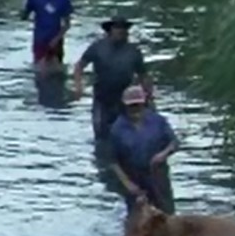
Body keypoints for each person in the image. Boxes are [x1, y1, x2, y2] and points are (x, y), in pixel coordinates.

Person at [73, 15, 154, 139]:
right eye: (117, 27)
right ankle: (101, 155)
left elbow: (143, 75)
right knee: (100, 131)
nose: (121, 31)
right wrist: (79, 86)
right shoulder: (98, 47)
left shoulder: (133, 51)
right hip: (102, 98)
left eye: (124, 28)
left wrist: (148, 97)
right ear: (110, 30)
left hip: (125, 99)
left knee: (124, 133)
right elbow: (79, 66)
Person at [109, 84, 177, 215]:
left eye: (138, 105)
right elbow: (113, 161)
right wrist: (128, 184)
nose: (135, 109)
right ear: (125, 106)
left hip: (158, 176)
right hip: (134, 179)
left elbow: (174, 143)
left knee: (166, 215)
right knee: (139, 220)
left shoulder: (158, 121)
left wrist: (163, 154)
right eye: (131, 106)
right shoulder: (117, 129)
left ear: (144, 104)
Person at [21, 0, 73, 76]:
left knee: (57, 73)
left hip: (56, 39)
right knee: (40, 73)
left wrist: (57, 38)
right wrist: (22, 12)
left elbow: (67, 24)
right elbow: (24, 15)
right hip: (40, 39)